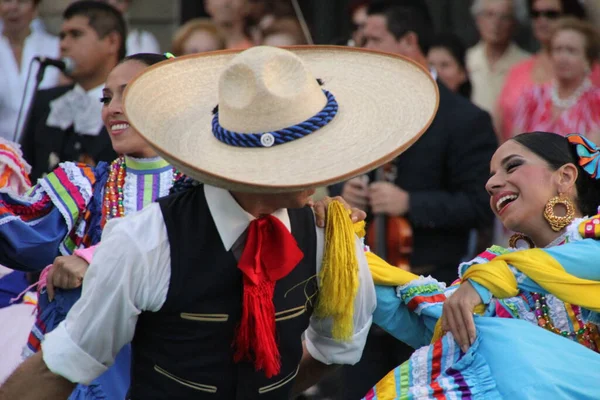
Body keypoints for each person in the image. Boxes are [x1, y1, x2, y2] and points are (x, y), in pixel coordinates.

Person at [0, 45, 439, 399]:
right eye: (308, 158)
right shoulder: (146, 240)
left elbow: (335, 351)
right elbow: (61, 368)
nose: (324, 173)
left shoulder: (330, 236)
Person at [330, 2, 497, 396]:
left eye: (372, 39)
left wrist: (410, 203)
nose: (361, 48)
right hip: (365, 291)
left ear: (409, 41)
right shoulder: (362, 109)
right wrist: (345, 191)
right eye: (359, 39)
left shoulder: (465, 118)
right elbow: (338, 176)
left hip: (434, 296)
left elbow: (479, 205)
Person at [0, 52, 182, 399]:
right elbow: (19, 233)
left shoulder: (208, 191)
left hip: (183, 370)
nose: (111, 108)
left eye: (127, 94)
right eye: (106, 97)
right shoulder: (85, 187)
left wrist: (94, 257)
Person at [364, 131, 600, 398]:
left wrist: (490, 278)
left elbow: (585, 260)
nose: (491, 184)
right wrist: (346, 252)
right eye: (491, 175)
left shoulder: (590, 241)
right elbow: (430, 315)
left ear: (565, 177)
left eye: (512, 166)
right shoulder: (492, 272)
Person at [19, 0, 126, 181]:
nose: (63, 45)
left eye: (75, 35)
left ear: (112, 41)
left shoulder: (129, 105)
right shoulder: (46, 100)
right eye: (62, 36)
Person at [497, 0, 600, 142]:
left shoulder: (596, 102)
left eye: (571, 51)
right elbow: (516, 147)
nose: (563, 58)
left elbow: (593, 156)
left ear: (588, 59)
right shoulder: (531, 97)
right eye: (558, 49)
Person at [0, 0, 60, 141]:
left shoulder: (56, 47)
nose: (13, 7)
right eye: (7, 0)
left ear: (35, 8)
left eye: (22, 1)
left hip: (43, 144)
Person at [467, 0, 530, 126]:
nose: (496, 23)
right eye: (489, 14)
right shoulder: (466, 59)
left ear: (514, 23)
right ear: (478, 19)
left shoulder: (527, 65)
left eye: (504, 17)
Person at [427, 32, 471, 98]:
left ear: (463, 73)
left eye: (445, 65)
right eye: (431, 65)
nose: (436, 72)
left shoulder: (470, 108)